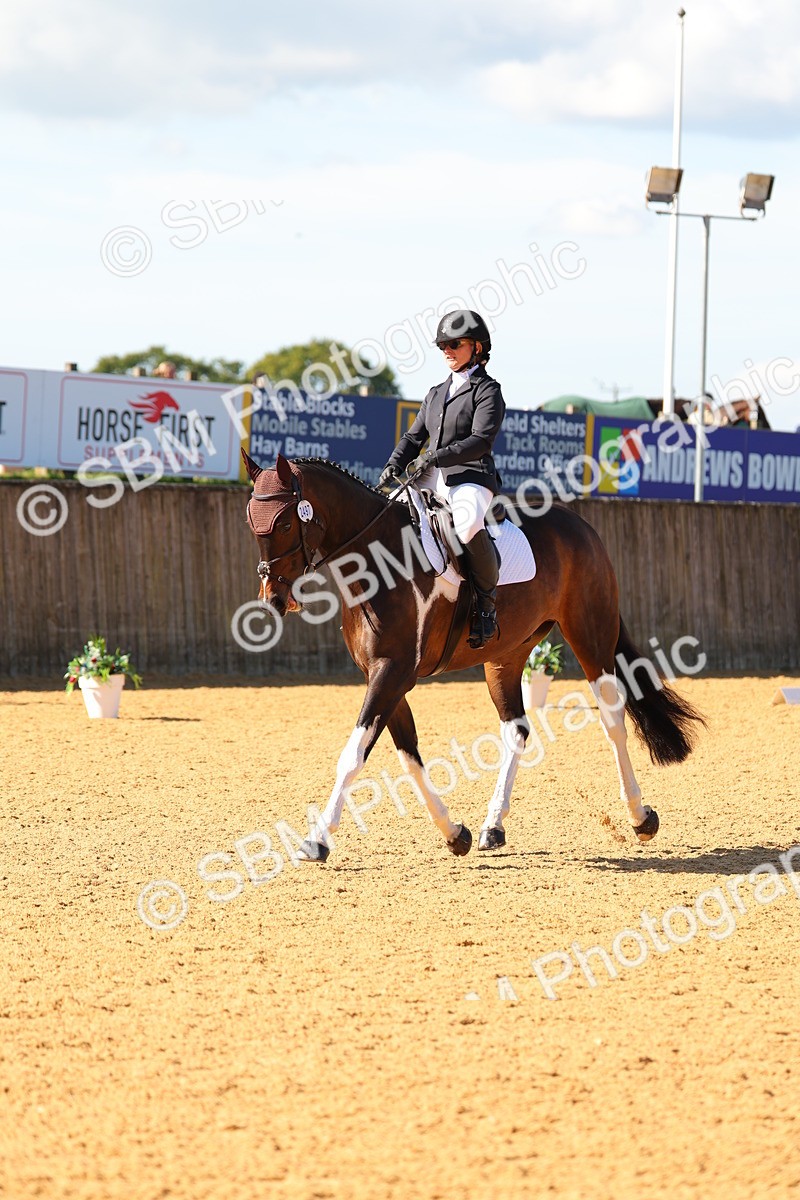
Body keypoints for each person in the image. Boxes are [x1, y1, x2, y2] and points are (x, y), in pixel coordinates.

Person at [379, 309, 504, 648]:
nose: (447, 350)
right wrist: (394, 463)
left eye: (454, 344)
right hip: (431, 476)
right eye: (442, 346)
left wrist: (436, 457)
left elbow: (481, 440)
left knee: (465, 525)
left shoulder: (488, 391)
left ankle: (486, 604)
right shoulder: (436, 393)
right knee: (386, 514)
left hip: (471, 477)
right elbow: (413, 437)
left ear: (477, 348)